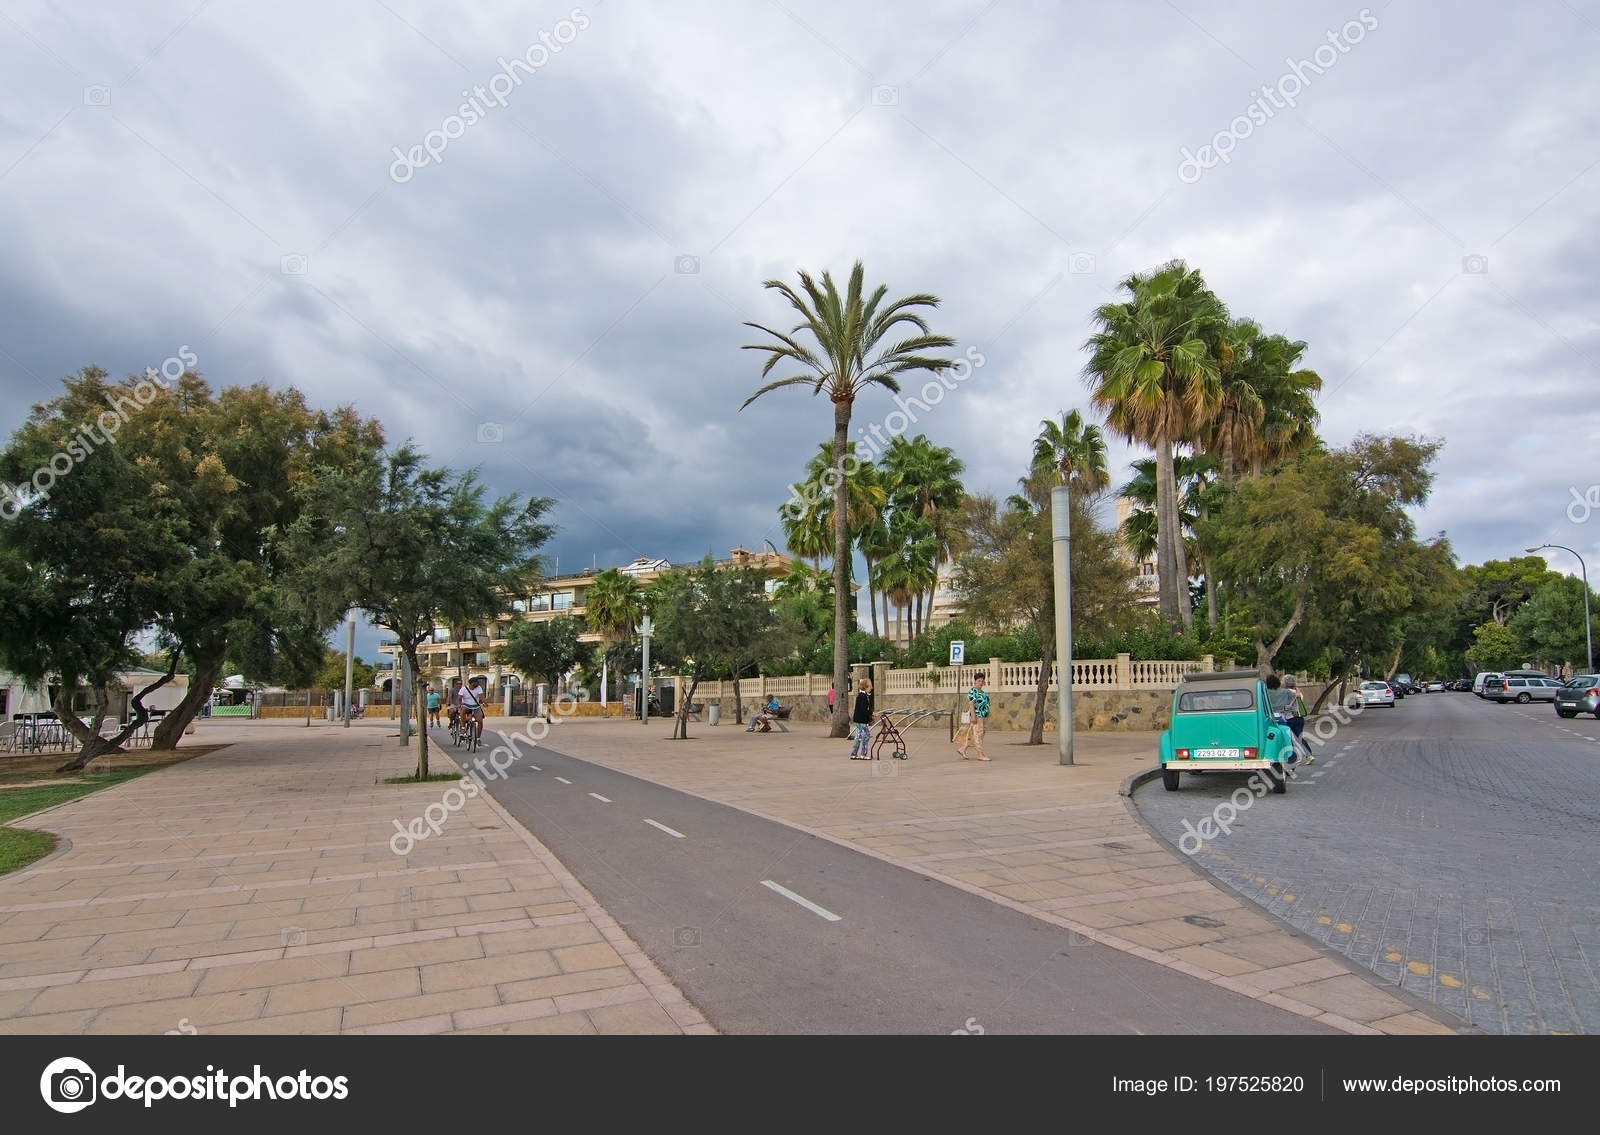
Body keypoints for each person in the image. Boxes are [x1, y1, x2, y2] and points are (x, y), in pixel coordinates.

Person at [957, 672, 991, 760]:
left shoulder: (982, 692)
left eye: (982, 681)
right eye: (979, 681)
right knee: (978, 735)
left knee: (976, 734)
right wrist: (973, 716)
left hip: (982, 716)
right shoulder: (973, 691)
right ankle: (980, 755)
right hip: (977, 716)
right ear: (975, 681)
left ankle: (963, 749)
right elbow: (971, 704)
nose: (981, 682)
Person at [1283, 675, 1314, 764]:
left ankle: (1292, 758)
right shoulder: (1298, 692)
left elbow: (1285, 706)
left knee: (1289, 739)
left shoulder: (1286, 693)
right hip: (1299, 718)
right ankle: (1309, 755)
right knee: (1299, 738)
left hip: (1290, 718)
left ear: (1285, 683)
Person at [849, 677, 874, 759]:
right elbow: (863, 709)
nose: (871, 688)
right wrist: (872, 713)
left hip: (859, 720)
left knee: (859, 737)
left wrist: (871, 713)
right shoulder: (863, 696)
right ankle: (863, 754)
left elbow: (864, 709)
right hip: (861, 720)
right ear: (866, 687)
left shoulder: (863, 695)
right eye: (870, 686)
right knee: (866, 736)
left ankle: (854, 754)